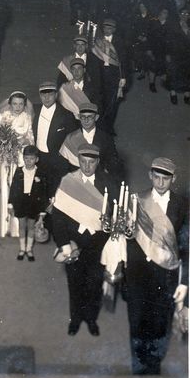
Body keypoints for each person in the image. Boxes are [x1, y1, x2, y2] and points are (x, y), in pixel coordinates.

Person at [124, 157, 188, 375]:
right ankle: (139, 366)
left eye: (165, 179)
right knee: (137, 321)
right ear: (150, 176)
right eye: (157, 178)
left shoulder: (183, 205)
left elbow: (186, 245)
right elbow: (126, 238)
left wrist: (185, 281)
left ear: (174, 179)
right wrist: (128, 235)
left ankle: (154, 364)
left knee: (161, 324)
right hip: (137, 274)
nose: (160, 183)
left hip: (166, 274)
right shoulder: (136, 200)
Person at [52, 143, 117, 337]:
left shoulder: (109, 183)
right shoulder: (68, 181)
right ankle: (76, 318)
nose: (87, 166)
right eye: (83, 161)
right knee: (75, 282)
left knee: (94, 283)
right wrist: (64, 244)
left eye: (91, 162)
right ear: (78, 160)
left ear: (97, 162)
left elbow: (115, 216)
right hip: (74, 243)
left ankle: (91, 318)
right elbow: (57, 217)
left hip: (99, 244)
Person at [0, 91, 35, 238]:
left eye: (21, 104)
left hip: (20, 157)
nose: (18, 106)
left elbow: (31, 138)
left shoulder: (27, 118)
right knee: (4, 186)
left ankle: (17, 227)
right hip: (6, 157)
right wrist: (5, 144)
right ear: (9, 104)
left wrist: (24, 142)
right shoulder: (3, 117)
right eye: (15, 103)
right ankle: (3, 225)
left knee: (19, 187)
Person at [32, 81, 78, 194]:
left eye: (50, 94)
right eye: (43, 95)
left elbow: (73, 140)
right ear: (39, 95)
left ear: (56, 95)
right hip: (38, 157)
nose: (47, 98)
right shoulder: (34, 110)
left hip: (56, 160)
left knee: (54, 191)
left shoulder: (66, 115)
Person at [59, 102, 123, 179]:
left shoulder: (106, 138)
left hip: (98, 179)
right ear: (79, 117)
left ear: (96, 117)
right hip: (76, 180)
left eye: (90, 117)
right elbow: (62, 165)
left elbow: (113, 162)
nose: (86, 120)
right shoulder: (70, 138)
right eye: (83, 117)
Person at [8, 145, 48, 261]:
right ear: (23, 158)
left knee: (31, 226)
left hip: (34, 203)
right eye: (26, 158)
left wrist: (42, 211)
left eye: (31, 158)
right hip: (21, 202)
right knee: (21, 226)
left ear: (36, 159)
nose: (28, 161)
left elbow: (43, 193)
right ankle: (22, 248)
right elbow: (13, 188)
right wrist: (10, 204)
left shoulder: (40, 173)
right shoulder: (19, 171)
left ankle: (29, 249)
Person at [91, 18, 127, 135]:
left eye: (110, 28)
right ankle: (100, 126)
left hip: (113, 76)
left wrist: (123, 77)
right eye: (106, 27)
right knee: (100, 102)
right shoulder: (98, 41)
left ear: (114, 30)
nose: (108, 30)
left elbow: (123, 61)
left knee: (112, 103)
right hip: (100, 76)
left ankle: (109, 127)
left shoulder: (120, 42)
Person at [166, 7, 190, 105]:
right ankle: (173, 92)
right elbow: (168, 40)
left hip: (187, 54)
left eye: (187, 14)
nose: (185, 16)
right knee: (173, 72)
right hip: (175, 53)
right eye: (183, 14)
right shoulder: (173, 25)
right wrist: (167, 53)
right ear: (179, 14)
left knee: (187, 73)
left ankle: (187, 93)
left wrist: (187, 30)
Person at [145, 7, 170, 94]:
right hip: (154, 48)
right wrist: (148, 49)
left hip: (164, 49)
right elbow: (149, 36)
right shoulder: (153, 22)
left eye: (167, 13)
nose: (165, 14)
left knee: (163, 66)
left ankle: (164, 83)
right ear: (160, 13)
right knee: (153, 66)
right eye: (163, 12)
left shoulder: (168, 24)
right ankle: (151, 83)